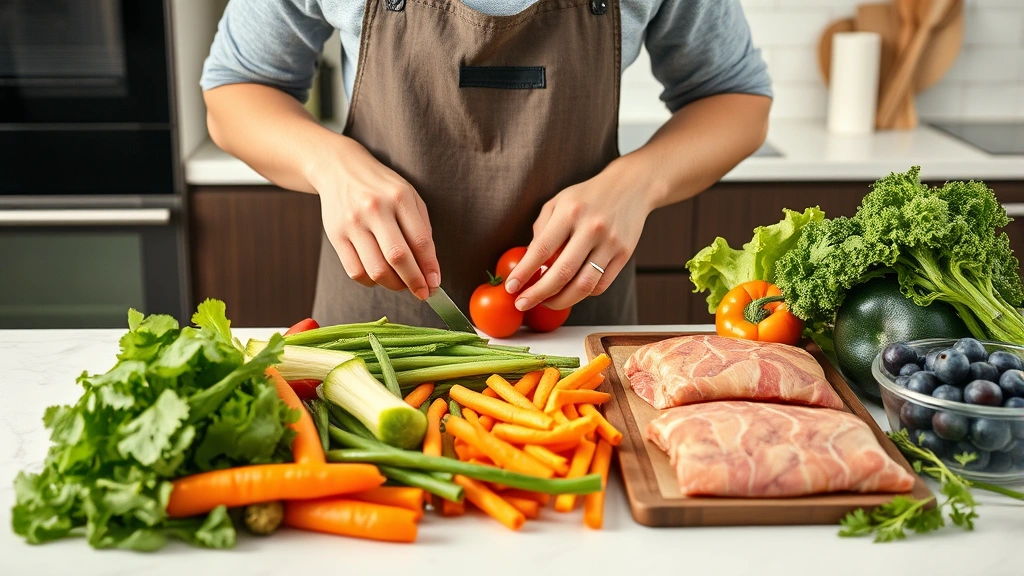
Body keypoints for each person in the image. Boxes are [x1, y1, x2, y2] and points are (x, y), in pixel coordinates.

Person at [201, 0, 772, 327]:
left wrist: (638, 182)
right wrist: (328, 162)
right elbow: (235, 92)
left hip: (574, 332)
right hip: (379, 331)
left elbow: (737, 100)